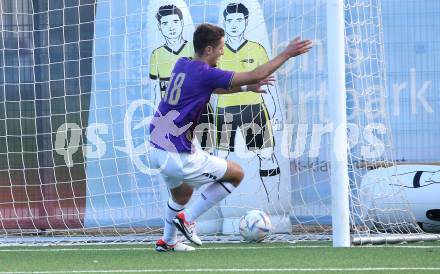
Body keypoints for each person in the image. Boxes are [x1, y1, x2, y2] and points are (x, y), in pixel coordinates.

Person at [149, 23, 312, 252]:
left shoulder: (183, 64)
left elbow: (213, 89)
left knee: (182, 193)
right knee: (236, 174)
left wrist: (246, 88)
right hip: (176, 153)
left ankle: (168, 241)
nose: (223, 52)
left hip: (156, 146)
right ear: (208, 49)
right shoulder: (205, 73)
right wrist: (288, 53)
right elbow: (258, 73)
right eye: (220, 48)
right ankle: (189, 219)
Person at [217, 3, 281, 202]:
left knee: (267, 156)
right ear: (225, 23)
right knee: (218, 160)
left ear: (246, 22)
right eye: (230, 20)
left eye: (238, 20)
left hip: (253, 109)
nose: (234, 25)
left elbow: (269, 84)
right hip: (224, 111)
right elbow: (209, 86)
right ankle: (213, 205)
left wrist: (275, 112)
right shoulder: (218, 53)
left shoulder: (257, 49)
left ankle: (273, 206)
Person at [149, 5, 214, 151]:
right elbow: (155, 89)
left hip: (200, 111)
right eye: (165, 23)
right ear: (159, 27)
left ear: (182, 23)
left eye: (175, 22)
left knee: (208, 153)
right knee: (177, 156)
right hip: (172, 116)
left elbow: (210, 80)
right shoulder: (156, 55)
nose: (171, 27)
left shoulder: (195, 50)